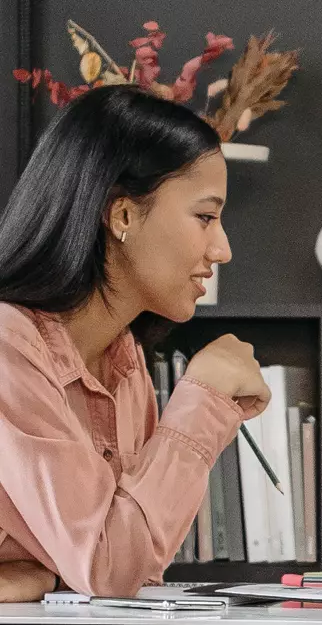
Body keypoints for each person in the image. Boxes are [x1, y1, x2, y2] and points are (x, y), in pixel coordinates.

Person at [0, 84, 270, 599]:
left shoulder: (124, 361)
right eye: (205, 217)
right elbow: (110, 571)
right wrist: (204, 400)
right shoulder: (8, 346)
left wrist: (44, 574)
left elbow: (135, 566)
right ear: (121, 215)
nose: (223, 249)